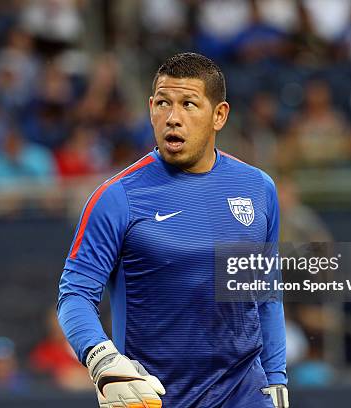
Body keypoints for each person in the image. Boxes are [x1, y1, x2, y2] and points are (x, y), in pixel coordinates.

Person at [58, 52, 288, 408]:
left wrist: (275, 380)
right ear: (150, 108)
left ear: (219, 115)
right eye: (163, 103)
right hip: (155, 397)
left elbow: (266, 293)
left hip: (244, 394)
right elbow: (74, 294)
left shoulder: (258, 188)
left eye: (188, 104)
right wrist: (101, 358)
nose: (173, 118)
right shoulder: (116, 198)